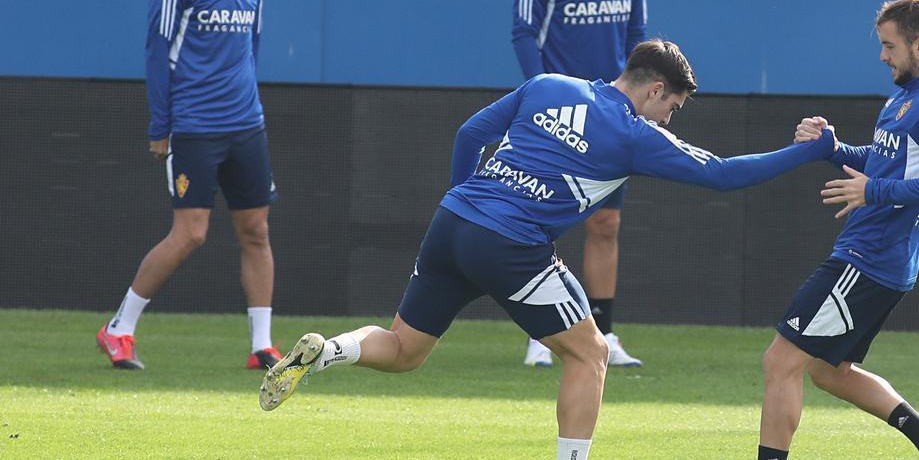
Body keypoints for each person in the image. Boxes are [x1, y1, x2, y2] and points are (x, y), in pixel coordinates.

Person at [260, 39, 836, 460]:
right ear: (656, 89)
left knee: (405, 348)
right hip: (511, 244)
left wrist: (465, 195)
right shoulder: (636, 133)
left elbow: (469, 135)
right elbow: (722, 174)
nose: (670, 117)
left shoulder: (548, 85)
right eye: (673, 107)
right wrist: (807, 154)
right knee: (590, 353)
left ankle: (329, 349)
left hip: (454, 220)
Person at [757, 0, 919, 460]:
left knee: (780, 361)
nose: (882, 55)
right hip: (874, 254)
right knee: (828, 371)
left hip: (872, 254)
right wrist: (832, 147)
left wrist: (873, 192)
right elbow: (884, 165)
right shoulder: (907, 95)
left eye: (889, 45)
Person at [95, 0, 282, 371]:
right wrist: (162, 127)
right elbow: (158, 54)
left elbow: (252, 47)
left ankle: (261, 345)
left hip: (247, 125)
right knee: (191, 233)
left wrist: (249, 102)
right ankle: (119, 328)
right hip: (195, 127)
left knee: (256, 231)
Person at [511, 0, 649, 368]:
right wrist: (540, 95)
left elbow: (638, 38)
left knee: (606, 224)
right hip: (558, 115)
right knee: (541, 223)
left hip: (613, 116)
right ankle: (540, 333)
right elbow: (524, 32)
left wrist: (637, 103)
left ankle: (604, 335)